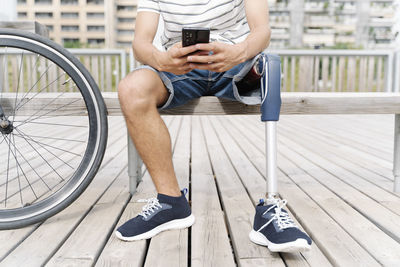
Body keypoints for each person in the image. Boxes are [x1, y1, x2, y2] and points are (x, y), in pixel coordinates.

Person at [115, 0, 312, 253]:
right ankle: (171, 203)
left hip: (236, 64)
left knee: (271, 64)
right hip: (179, 67)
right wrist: (162, 60)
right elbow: (140, 43)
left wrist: (239, 52)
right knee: (131, 88)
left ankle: (271, 208)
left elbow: (262, 31)